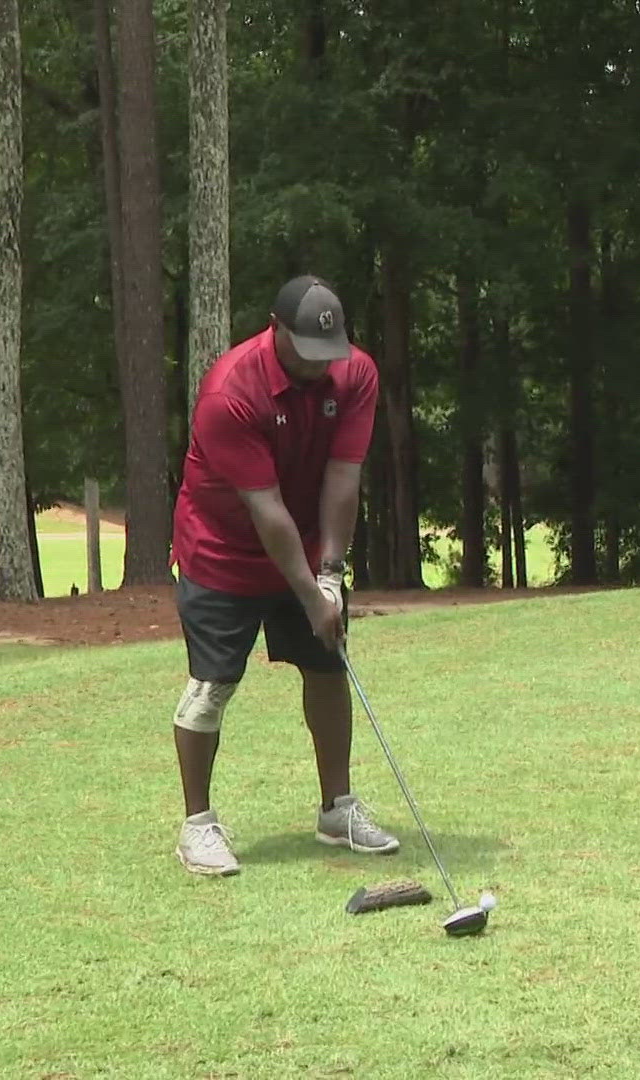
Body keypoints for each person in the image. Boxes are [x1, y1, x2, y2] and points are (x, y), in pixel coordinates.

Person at [167, 274, 400, 876]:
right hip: (224, 551)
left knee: (327, 664)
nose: (322, 365)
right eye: (308, 351)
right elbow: (264, 509)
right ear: (276, 331)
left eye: (332, 351)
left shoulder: (355, 374)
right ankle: (198, 825)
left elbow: (343, 478)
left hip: (307, 540)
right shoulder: (230, 391)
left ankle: (337, 808)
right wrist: (308, 590)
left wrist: (330, 576)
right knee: (212, 686)